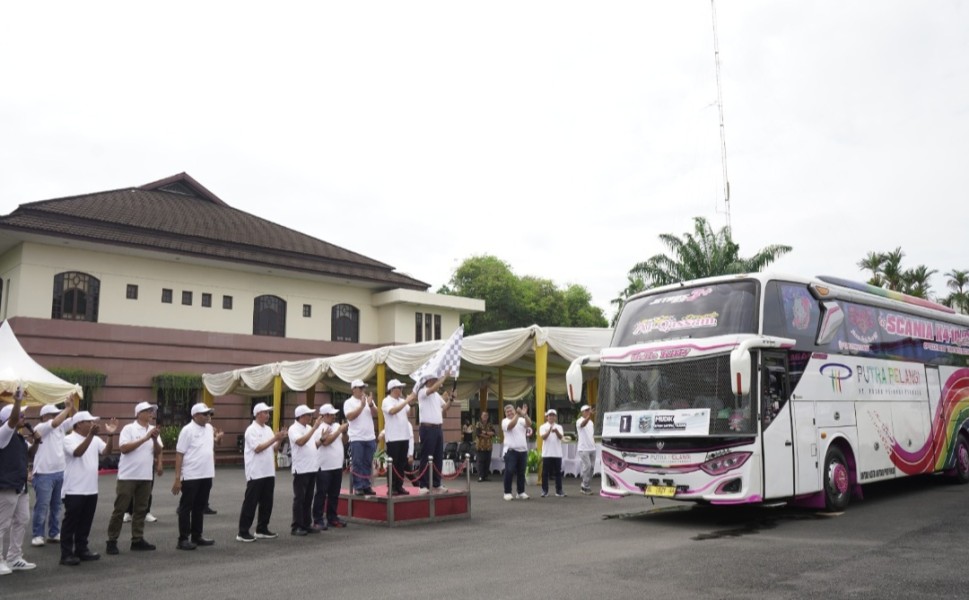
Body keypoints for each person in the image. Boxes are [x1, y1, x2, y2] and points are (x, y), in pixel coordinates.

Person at [61, 410, 117, 566]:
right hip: (74, 489)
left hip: (91, 488)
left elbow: (107, 452)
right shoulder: (68, 439)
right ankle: (66, 554)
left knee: (85, 522)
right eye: (89, 421)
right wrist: (91, 436)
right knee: (70, 523)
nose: (93, 424)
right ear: (79, 424)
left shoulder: (95, 439)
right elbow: (77, 453)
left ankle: (81, 549)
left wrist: (111, 435)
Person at [106, 401, 162, 555]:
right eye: (148, 411)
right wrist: (145, 438)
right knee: (120, 509)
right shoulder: (129, 428)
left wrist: (155, 440)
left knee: (141, 510)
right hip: (127, 476)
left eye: (152, 411)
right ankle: (112, 540)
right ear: (138, 413)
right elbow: (123, 449)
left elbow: (158, 451)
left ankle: (137, 539)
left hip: (145, 476)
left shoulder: (153, 430)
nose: (151, 413)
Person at [172, 403, 222, 551]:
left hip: (206, 474)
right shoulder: (187, 430)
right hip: (191, 475)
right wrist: (177, 478)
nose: (208, 416)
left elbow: (213, 446)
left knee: (200, 506)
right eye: (205, 414)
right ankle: (183, 539)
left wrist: (218, 439)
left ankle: (197, 535)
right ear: (195, 415)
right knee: (186, 507)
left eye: (209, 414)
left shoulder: (209, 429)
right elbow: (179, 454)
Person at [237, 402, 287, 542]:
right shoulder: (251, 430)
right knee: (251, 502)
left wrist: (280, 439)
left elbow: (274, 449)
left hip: (268, 471)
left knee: (267, 502)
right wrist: (274, 438)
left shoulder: (268, 429)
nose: (268, 415)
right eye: (265, 412)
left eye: (268, 412)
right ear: (258, 414)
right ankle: (243, 531)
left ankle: (262, 528)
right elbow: (258, 448)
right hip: (256, 472)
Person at [0, 388, 37, 574]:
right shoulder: (3, 434)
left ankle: (14, 557)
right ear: (10, 419)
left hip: (20, 486)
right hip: (6, 486)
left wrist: (36, 441)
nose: (24, 418)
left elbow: (31, 454)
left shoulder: (20, 438)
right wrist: (16, 402)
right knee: (2, 524)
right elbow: (13, 421)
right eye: (21, 415)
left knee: (22, 519)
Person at [29, 402, 74, 547]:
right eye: (54, 414)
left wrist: (72, 405)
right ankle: (38, 534)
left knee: (56, 506)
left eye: (57, 414)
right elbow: (54, 423)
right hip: (43, 473)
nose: (57, 416)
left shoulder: (60, 427)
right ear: (45, 416)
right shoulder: (40, 428)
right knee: (42, 506)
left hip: (60, 471)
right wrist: (67, 408)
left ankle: (54, 533)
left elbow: (76, 419)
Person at [288, 404, 323, 536]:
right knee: (300, 498)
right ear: (301, 416)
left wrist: (322, 439)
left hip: (311, 467)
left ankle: (306, 523)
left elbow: (314, 445)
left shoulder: (308, 428)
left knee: (308, 498)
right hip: (301, 468)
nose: (310, 417)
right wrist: (314, 429)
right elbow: (301, 442)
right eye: (308, 415)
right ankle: (296, 525)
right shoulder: (293, 429)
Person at [312, 404, 348, 530]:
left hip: (337, 465)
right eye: (331, 414)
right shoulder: (319, 428)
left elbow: (344, 441)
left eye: (334, 414)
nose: (333, 417)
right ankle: (317, 519)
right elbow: (325, 443)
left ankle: (332, 517)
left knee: (334, 493)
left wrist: (343, 433)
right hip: (324, 466)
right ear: (325, 415)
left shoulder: (336, 426)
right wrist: (338, 431)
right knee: (321, 493)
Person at [417, 375, 454, 495]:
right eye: (435, 381)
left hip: (438, 428)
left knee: (438, 457)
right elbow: (432, 389)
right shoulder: (422, 392)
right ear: (429, 381)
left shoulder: (437, 396)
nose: (438, 384)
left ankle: (436, 483)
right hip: (427, 428)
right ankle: (423, 484)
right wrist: (444, 377)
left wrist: (451, 399)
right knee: (426, 457)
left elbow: (445, 408)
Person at [381, 379, 416, 496]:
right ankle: (391, 487)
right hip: (393, 437)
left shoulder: (402, 401)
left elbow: (409, 413)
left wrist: (409, 402)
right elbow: (392, 411)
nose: (401, 390)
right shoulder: (386, 401)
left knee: (401, 463)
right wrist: (406, 401)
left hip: (404, 436)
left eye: (401, 388)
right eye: (399, 388)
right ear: (393, 389)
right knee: (393, 463)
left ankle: (399, 485)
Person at [344, 379, 377, 496]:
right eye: (360, 388)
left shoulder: (368, 400)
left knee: (368, 462)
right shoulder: (348, 402)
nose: (363, 390)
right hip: (357, 437)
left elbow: (376, 414)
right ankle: (358, 486)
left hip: (370, 437)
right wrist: (362, 406)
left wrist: (371, 404)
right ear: (354, 389)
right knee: (357, 463)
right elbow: (350, 417)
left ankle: (366, 485)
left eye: (364, 388)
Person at [501, 403, 531, 501]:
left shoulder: (521, 420)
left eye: (511, 411)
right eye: (507, 411)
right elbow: (510, 426)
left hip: (523, 451)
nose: (509, 413)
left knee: (521, 472)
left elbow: (529, 424)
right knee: (509, 471)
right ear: (505, 413)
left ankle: (520, 492)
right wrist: (518, 414)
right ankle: (507, 492)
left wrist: (525, 414)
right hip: (511, 451)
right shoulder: (504, 421)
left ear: (514, 410)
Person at [539, 409, 565, 498]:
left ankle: (559, 490)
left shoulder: (559, 427)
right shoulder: (543, 426)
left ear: (556, 417)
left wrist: (556, 431)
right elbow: (543, 437)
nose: (551, 417)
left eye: (553, 415)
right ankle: (544, 490)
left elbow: (561, 437)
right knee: (545, 473)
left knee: (558, 473)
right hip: (546, 453)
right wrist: (549, 430)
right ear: (547, 417)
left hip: (557, 453)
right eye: (550, 415)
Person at [576, 404, 596, 495]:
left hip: (592, 447)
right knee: (587, 466)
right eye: (586, 410)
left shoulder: (591, 422)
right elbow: (583, 424)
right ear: (582, 412)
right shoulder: (579, 421)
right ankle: (584, 486)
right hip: (583, 448)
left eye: (589, 410)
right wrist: (589, 416)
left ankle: (586, 484)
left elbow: (591, 434)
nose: (588, 411)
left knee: (591, 467)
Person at [474, 412, 495, 482]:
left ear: (488, 416)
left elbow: (494, 433)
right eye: (484, 415)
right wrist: (488, 435)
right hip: (480, 446)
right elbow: (478, 433)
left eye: (486, 415)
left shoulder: (490, 424)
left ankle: (485, 476)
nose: (485, 417)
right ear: (481, 416)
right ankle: (480, 476)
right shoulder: (478, 424)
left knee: (487, 461)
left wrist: (485, 432)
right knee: (480, 461)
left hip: (488, 446)